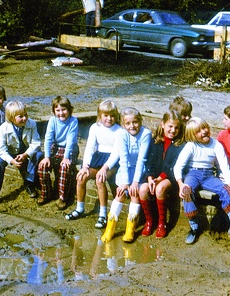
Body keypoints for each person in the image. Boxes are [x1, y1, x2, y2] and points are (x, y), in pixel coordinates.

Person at [173, 117, 230, 245]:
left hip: (209, 175)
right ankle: (194, 228)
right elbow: (178, 166)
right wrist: (181, 184)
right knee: (187, 191)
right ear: (193, 135)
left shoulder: (216, 145)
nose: (204, 132)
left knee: (226, 190)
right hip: (193, 173)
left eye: (205, 128)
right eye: (198, 131)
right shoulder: (191, 146)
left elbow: (224, 166)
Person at [65, 99, 120, 229]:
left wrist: (105, 168)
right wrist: (85, 166)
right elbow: (90, 147)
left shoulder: (119, 131)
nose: (109, 118)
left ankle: (102, 215)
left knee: (100, 180)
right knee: (81, 176)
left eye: (112, 115)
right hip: (98, 158)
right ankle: (80, 208)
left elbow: (117, 153)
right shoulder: (95, 127)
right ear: (100, 115)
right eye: (106, 115)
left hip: (112, 162)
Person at [99, 107, 152, 243]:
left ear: (140, 121)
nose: (132, 126)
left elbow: (142, 159)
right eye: (128, 123)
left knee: (134, 192)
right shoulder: (121, 134)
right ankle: (110, 228)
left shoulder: (146, 134)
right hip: (126, 168)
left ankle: (130, 229)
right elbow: (122, 157)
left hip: (140, 170)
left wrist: (134, 182)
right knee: (121, 193)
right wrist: (125, 182)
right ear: (123, 124)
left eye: (135, 122)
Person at [0, 101, 43, 207]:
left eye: (25, 115)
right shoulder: (4, 128)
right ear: (12, 118)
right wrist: (11, 161)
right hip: (11, 153)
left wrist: (25, 155)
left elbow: (36, 143)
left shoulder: (32, 124)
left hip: (25, 151)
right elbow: (1, 149)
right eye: (20, 116)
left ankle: (29, 183)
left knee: (39, 154)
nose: (24, 119)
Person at [139, 110, 185, 239]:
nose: (173, 130)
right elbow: (149, 161)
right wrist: (150, 177)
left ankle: (161, 223)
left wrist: (158, 179)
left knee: (160, 189)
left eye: (176, 127)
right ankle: (149, 221)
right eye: (170, 126)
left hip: (171, 176)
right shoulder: (155, 141)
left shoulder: (180, 144)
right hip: (154, 175)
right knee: (142, 190)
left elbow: (173, 166)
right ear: (162, 124)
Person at [37, 96, 79, 208]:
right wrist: (46, 157)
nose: (61, 113)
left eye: (64, 109)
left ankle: (62, 197)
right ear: (54, 111)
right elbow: (48, 138)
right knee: (42, 166)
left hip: (70, 148)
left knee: (65, 167)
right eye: (58, 110)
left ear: (69, 110)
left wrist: (66, 158)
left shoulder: (73, 121)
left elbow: (70, 141)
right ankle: (46, 193)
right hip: (55, 147)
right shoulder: (53, 120)